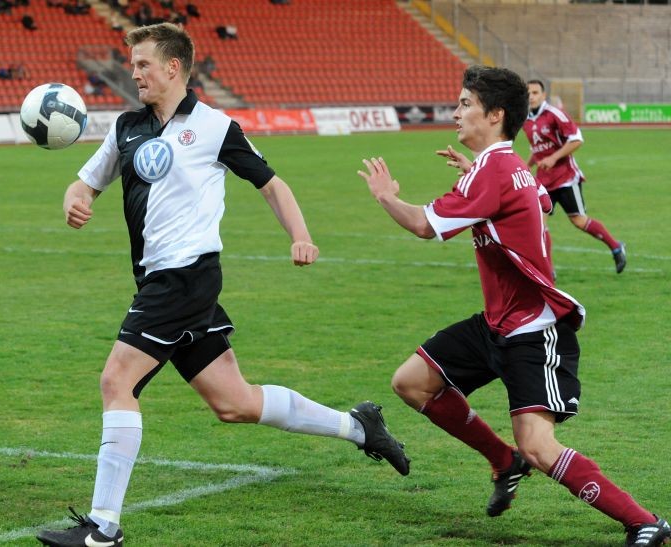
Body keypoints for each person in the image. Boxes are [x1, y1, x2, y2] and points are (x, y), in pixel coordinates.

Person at [36, 22, 409, 547]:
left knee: (116, 382)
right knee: (234, 402)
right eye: (133, 64)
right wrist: (75, 197)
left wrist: (301, 235)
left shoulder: (215, 127)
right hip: (161, 281)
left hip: (185, 278)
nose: (133, 72)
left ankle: (103, 527)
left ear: (173, 68)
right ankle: (358, 426)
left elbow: (271, 184)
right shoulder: (125, 127)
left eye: (143, 64)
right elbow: (88, 179)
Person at [357, 65, 669, 547]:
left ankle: (644, 520)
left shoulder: (498, 168)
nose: (456, 112)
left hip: (533, 330)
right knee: (412, 383)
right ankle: (503, 460)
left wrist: (385, 197)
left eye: (465, 104)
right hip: (498, 323)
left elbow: (424, 225)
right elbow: (540, 202)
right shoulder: (507, 167)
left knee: (540, 447)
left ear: (496, 114)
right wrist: (475, 183)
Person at [524, 79, 626, 274]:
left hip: (565, 177)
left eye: (535, 92)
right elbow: (537, 148)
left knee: (579, 220)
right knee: (539, 224)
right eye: (528, 93)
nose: (531, 96)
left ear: (543, 95)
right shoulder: (526, 120)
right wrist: (527, 165)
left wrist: (554, 157)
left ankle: (616, 247)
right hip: (543, 181)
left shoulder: (554, 114)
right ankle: (548, 270)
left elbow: (576, 139)